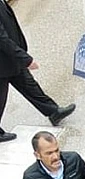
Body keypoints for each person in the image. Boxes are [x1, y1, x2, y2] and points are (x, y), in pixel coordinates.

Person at [0, 0, 75, 140]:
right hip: (4, 63)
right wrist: (25, 59)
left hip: (11, 60)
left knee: (29, 85)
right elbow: (2, 39)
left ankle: (53, 111)